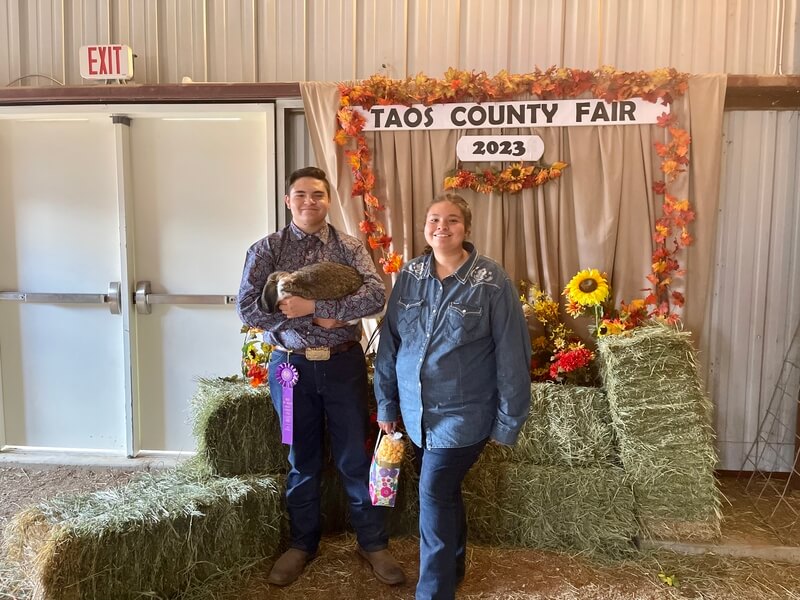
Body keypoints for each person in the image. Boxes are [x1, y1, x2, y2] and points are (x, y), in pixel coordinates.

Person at [237, 166, 406, 587]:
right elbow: (246, 308)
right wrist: (285, 316)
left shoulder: (349, 247)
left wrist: (316, 310)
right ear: (287, 201)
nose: (309, 202)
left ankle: (372, 542)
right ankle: (301, 544)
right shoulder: (266, 251)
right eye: (301, 195)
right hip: (290, 370)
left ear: (329, 200)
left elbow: (375, 295)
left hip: (342, 364)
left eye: (318, 194)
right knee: (301, 459)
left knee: (353, 457)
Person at [374, 192, 532, 600]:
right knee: (442, 492)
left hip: (464, 413)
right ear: (425, 228)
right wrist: (387, 404)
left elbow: (512, 353)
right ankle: (455, 564)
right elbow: (391, 345)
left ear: (466, 227)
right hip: (415, 413)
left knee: (433, 491)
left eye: (452, 220)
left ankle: (434, 592)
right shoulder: (409, 275)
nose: (441, 226)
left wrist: (508, 420)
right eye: (434, 219)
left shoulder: (492, 281)